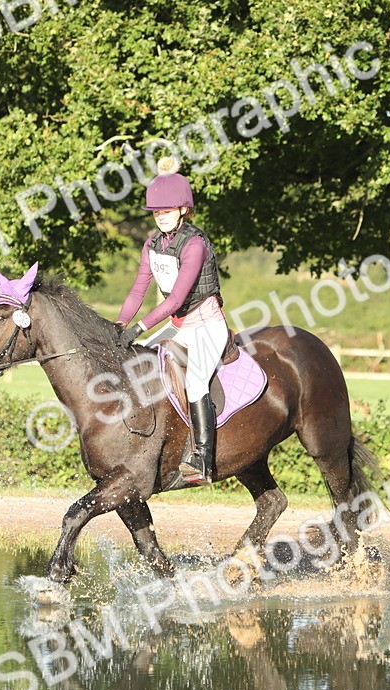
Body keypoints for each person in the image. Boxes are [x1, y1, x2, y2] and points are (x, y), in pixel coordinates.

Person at [115, 156, 228, 485]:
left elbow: (176, 299)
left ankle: (202, 459)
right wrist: (120, 326)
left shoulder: (195, 245)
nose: (161, 216)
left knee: (196, 382)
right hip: (178, 327)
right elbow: (138, 290)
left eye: (166, 210)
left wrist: (140, 327)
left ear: (182, 209)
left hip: (206, 326)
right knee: (135, 365)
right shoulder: (152, 244)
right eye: (156, 212)